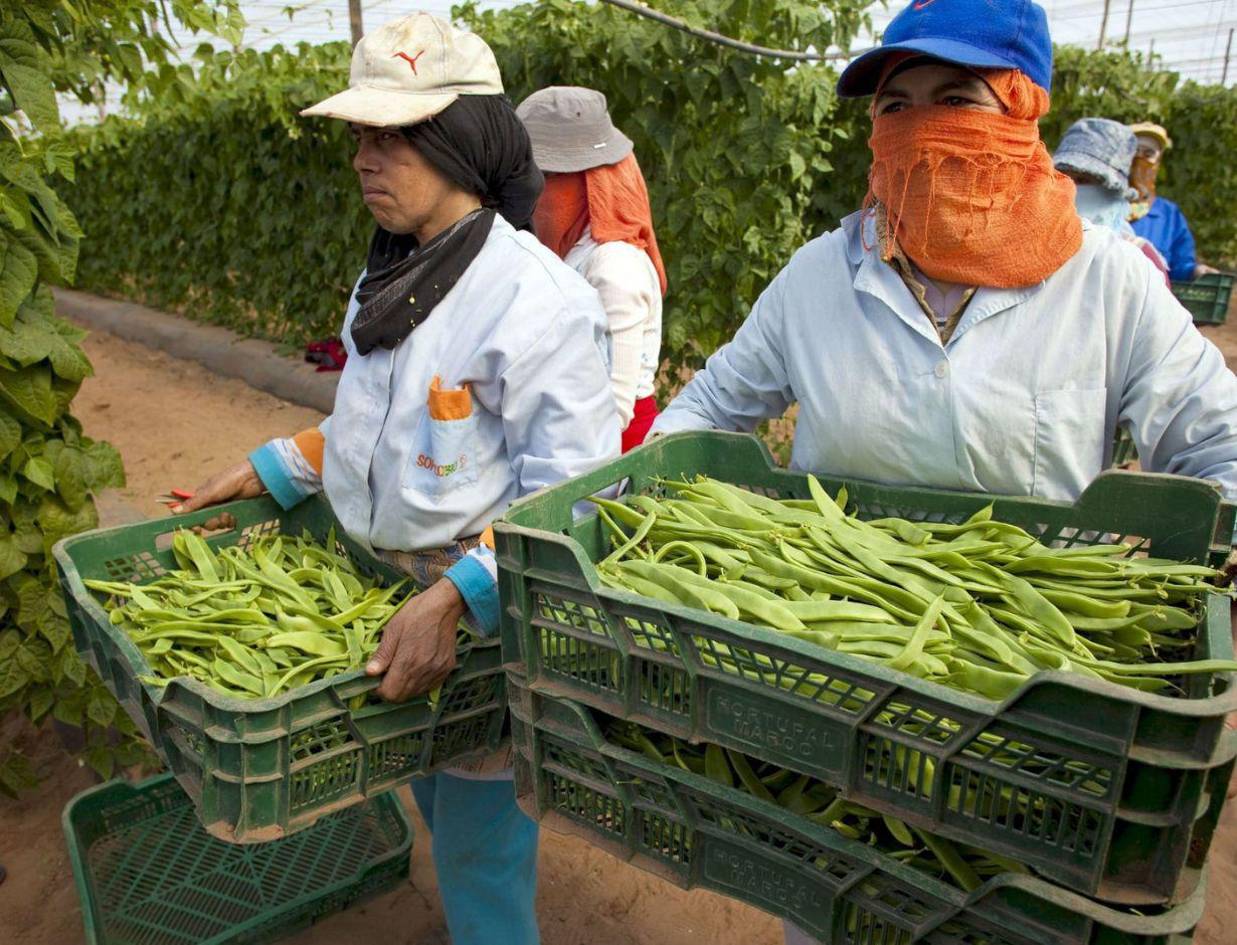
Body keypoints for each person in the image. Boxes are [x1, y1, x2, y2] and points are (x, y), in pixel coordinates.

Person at [649, 3, 1237, 933]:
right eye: (895, 103)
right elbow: (707, 410)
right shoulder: (818, 275)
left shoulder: (1106, 280)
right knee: (831, 894)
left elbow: (1217, 446)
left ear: (1019, 109)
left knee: (998, 901)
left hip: (1030, 712)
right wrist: (648, 489)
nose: (920, 125)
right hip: (822, 690)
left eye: (955, 97)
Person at [173, 14, 619, 945]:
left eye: (392, 136)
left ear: (459, 140)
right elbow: (373, 426)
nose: (363, 160)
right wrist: (271, 469)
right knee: (428, 788)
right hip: (386, 599)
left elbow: (577, 494)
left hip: (484, 621)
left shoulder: (537, 302)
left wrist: (458, 599)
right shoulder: (391, 273)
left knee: (479, 851)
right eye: (358, 137)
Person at [516, 86, 666, 452]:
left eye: (546, 178)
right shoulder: (574, 251)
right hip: (575, 438)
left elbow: (613, 408)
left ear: (586, 184)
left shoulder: (614, 266)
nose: (533, 195)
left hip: (611, 453)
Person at [1052, 117, 1168, 281]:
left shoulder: (1138, 259)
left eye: (1084, 181)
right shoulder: (1031, 247)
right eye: (1063, 178)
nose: (1072, 189)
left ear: (1113, 192)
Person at [1127, 122, 1216, 282]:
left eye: (1148, 154)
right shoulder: (1104, 205)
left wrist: (1196, 271)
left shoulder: (1169, 215)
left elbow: (1180, 266)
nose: (1140, 159)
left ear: (1158, 161)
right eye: (1135, 151)